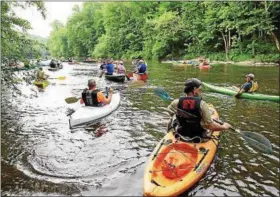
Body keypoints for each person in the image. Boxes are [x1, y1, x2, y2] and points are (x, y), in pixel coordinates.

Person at [166, 78, 232, 140]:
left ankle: (169, 133)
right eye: (200, 90)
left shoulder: (176, 102)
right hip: (198, 136)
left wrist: (183, 117)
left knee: (172, 119)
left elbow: (171, 112)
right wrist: (224, 127)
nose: (201, 92)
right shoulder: (202, 104)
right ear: (194, 89)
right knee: (213, 120)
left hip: (181, 132)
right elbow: (210, 126)